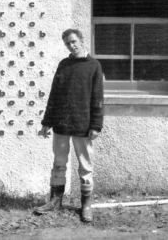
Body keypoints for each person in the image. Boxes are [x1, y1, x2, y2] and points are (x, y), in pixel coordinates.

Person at [34, 28, 104, 222]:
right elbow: (54, 94)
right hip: (61, 123)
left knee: (85, 165)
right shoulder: (64, 65)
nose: (71, 45)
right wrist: (47, 122)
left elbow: (98, 98)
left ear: (81, 40)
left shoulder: (94, 66)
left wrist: (96, 125)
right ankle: (55, 201)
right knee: (58, 163)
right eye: (67, 43)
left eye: (73, 41)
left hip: (83, 124)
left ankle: (86, 205)